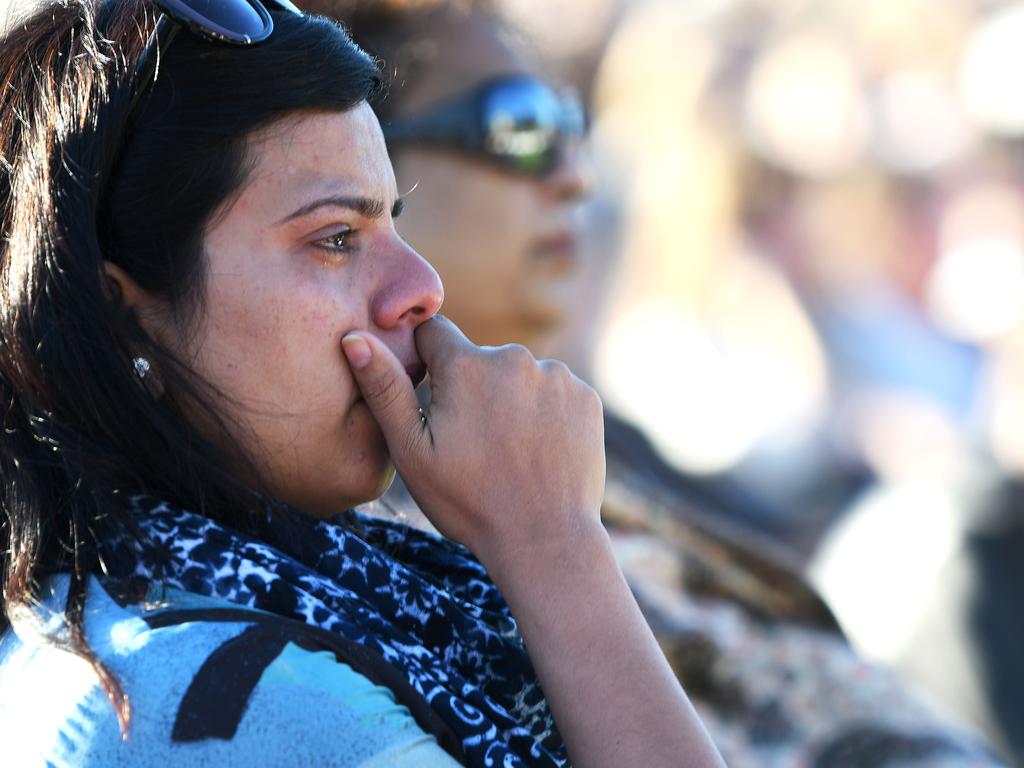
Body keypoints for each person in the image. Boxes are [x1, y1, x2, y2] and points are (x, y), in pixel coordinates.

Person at [0, 1, 729, 766]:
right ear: (123, 317)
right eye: (336, 238)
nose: (421, 287)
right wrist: (556, 545)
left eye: (395, 223)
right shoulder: (219, 699)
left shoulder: (208, 609)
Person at [302, 1, 1008, 765]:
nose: (575, 176)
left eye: (569, 126)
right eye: (519, 126)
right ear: (363, 150)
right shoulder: (360, 534)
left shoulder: (589, 446)